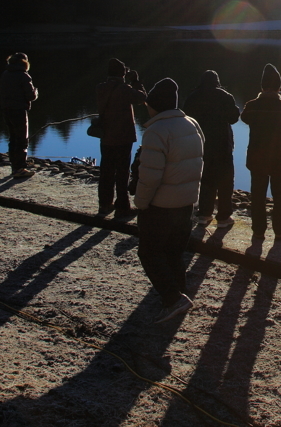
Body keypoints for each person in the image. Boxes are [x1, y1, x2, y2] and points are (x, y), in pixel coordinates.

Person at [133, 78, 204, 324]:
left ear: (156, 106)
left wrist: (140, 203)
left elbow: (149, 175)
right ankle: (176, 296)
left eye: (148, 104)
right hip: (186, 203)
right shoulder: (191, 123)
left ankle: (174, 299)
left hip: (161, 206)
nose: (146, 108)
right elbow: (198, 159)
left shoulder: (155, 131)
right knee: (174, 253)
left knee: (149, 253)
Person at [240, 64, 281, 240]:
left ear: (262, 86)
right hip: (279, 159)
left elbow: (244, 118)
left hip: (257, 158)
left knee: (257, 196)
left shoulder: (252, 106)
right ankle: (280, 231)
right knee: (280, 196)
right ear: (279, 87)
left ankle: (258, 232)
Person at [182, 70, 240, 228]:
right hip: (223, 145)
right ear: (217, 81)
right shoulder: (225, 96)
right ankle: (223, 217)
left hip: (200, 145)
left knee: (205, 179)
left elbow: (185, 119)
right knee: (225, 181)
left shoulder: (192, 96)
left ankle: (204, 214)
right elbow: (234, 118)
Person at [96, 58, 147, 217]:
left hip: (106, 136)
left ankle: (105, 204)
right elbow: (142, 98)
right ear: (122, 74)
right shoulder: (124, 89)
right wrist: (136, 82)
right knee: (123, 172)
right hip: (123, 137)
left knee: (106, 171)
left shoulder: (100, 88)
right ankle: (122, 206)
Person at [0, 52, 38, 178]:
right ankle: (20, 168)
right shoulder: (24, 76)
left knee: (13, 138)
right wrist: (36, 91)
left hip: (7, 110)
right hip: (19, 111)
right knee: (22, 140)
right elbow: (31, 96)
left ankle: (15, 166)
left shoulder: (5, 74)